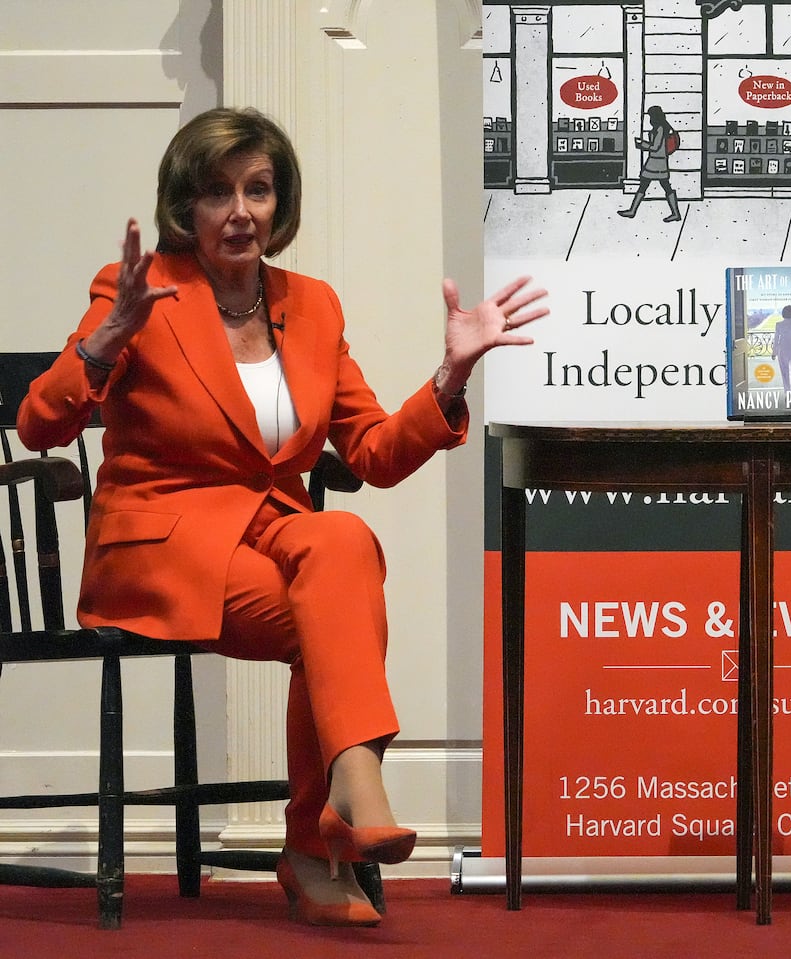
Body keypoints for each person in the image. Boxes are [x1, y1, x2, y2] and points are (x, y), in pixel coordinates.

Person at [17, 107, 548, 928]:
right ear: (184, 206)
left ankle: (337, 803)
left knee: (339, 537)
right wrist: (106, 339)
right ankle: (326, 821)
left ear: (279, 202)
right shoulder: (141, 290)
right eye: (218, 192)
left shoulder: (314, 305)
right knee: (332, 601)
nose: (239, 211)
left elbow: (370, 449)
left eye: (257, 190)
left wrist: (448, 379)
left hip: (275, 537)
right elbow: (39, 426)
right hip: (160, 545)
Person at [618, 105, 681, 222]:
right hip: (659, 161)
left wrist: (641, 144)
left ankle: (633, 211)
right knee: (658, 186)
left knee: (650, 186)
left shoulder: (660, 128)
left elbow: (655, 146)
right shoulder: (663, 127)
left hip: (655, 161)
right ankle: (675, 213)